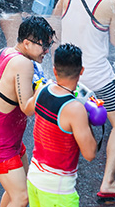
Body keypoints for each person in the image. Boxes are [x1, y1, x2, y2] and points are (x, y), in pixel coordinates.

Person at [52, 0, 115, 198]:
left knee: (70, 126)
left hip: (72, 78)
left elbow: (55, 22)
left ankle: (61, 176)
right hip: (100, 79)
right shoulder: (109, 4)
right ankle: (108, 183)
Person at [0, 16, 55, 207]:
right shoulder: (24, 64)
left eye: (49, 45)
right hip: (0, 144)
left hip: (6, 139)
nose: (47, 51)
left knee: (19, 191)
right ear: (27, 43)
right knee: (22, 198)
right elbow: (28, 109)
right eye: (44, 45)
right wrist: (43, 89)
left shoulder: (3, 53)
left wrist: (7, 86)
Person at [24, 44, 97, 206]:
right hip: (58, 192)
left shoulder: (43, 89)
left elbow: (28, 108)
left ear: (55, 70)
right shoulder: (76, 109)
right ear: (81, 71)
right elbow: (90, 153)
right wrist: (88, 118)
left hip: (34, 180)